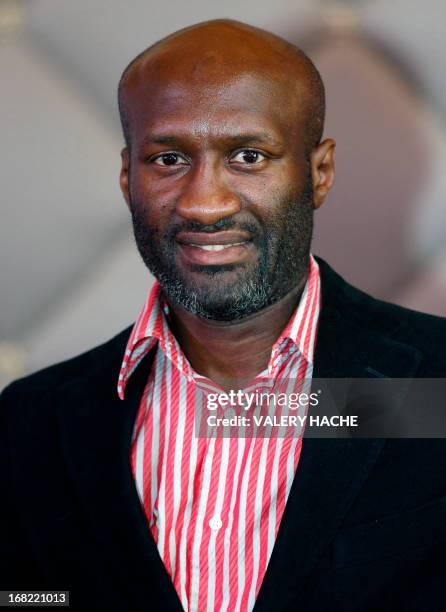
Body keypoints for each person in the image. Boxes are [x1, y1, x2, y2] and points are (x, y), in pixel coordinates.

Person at [1, 18, 446, 612]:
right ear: (126, 175)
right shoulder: (31, 420)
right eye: (167, 159)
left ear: (318, 173)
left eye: (247, 155)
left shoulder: (433, 385)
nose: (204, 204)